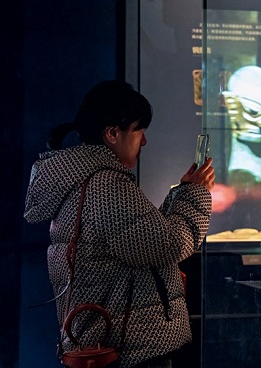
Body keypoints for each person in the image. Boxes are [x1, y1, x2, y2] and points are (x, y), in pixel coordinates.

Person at [24, 80, 215, 368]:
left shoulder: (86, 180)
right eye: (139, 131)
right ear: (112, 133)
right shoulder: (107, 186)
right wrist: (195, 194)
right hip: (132, 350)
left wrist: (183, 192)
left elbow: (143, 238)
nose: (144, 142)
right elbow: (169, 245)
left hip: (111, 344)